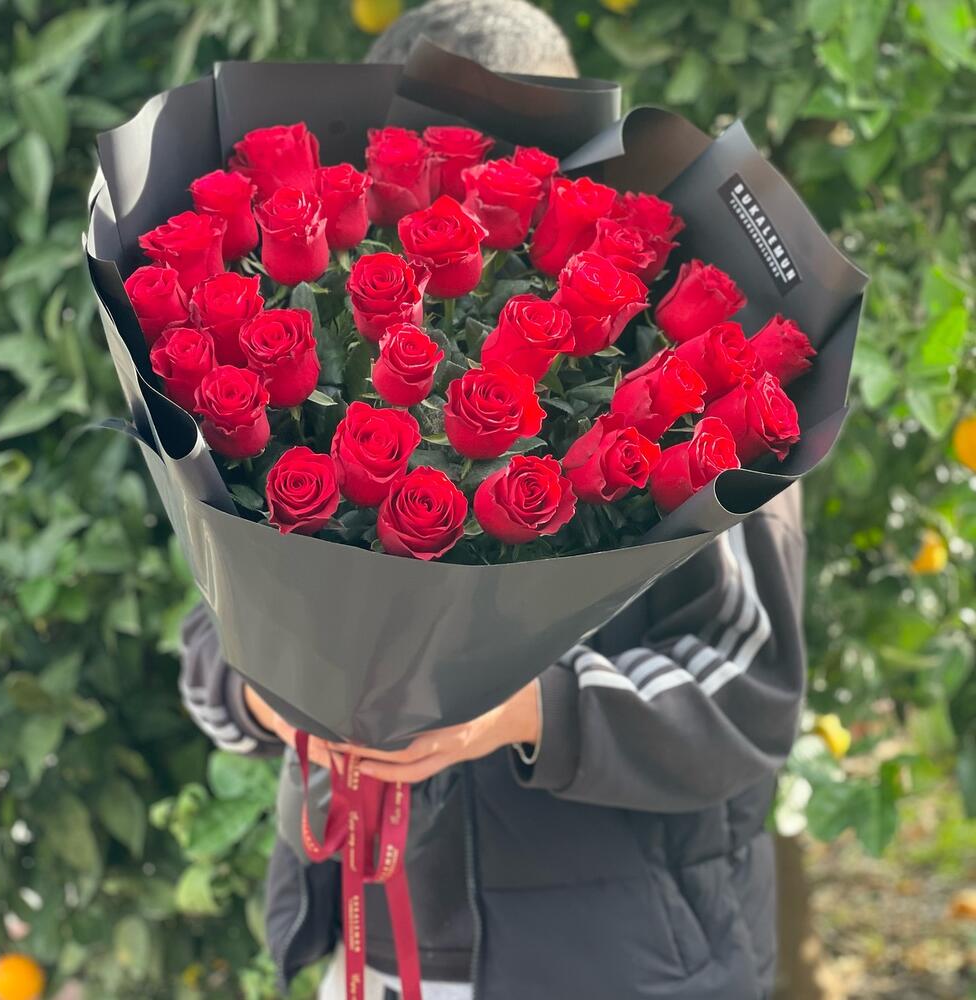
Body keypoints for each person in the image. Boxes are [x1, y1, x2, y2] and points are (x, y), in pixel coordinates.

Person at [179, 4, 808, 998]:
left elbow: (749, 691)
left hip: (617, 966)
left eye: (508, 171)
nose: (466, 209)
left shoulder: (692, 384)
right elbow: (219, 630)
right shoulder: (330, 356)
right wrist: (274, 695)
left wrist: (523, 711)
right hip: (388, 949)